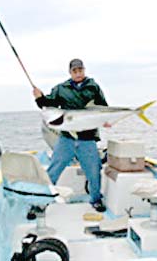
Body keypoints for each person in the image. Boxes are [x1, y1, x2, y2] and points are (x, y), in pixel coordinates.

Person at [33, 58, 109, 212]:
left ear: (84, 70)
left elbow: (103, 107)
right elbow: (48, 104)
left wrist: (105, 119)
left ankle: (96, 199)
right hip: (66, 139)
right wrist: (39, 98)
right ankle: (43, 200)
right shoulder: (61, 89)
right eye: (75, 71)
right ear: (70, 72)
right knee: (54, 170)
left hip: (87, 139)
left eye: (80, 70)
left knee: (94, 171)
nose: (78, 73)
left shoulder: (93, 87)